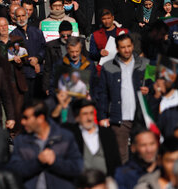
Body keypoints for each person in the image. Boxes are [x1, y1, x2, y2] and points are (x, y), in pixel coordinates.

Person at [97, 33, 150, 164]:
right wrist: (102, 116)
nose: (126, 50)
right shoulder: (108, 67)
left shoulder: (145, 64)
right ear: (117, 48)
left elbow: (155, 87)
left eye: (129, 46)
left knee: (143, 153)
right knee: (121, 156)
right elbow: (102, 93)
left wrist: (149, 90)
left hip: (140, 118)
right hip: (118, 118)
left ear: (133, 46)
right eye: (123, 47)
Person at [7, 100, 83, 189]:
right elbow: (14, 170)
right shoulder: (21, 140)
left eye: (26, 118)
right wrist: (37, 162)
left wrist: (55, 162)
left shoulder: (65, 137)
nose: (23, 122)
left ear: (40, 118)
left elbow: (77, 168)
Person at [64, 99, 121, 176]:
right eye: (85, 114)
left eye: (91, 113)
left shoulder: (107, 134)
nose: (89, 118)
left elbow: (116, 161)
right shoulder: (72, 134)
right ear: (77, 117)